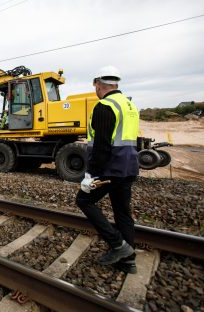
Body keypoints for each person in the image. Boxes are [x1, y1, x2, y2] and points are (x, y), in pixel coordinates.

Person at [76, 65, 139, 274]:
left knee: (84, 200)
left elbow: (102, 146)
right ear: (115, 83)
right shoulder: (129, 106)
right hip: (129, 166)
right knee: (122, 212)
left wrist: (90, 175)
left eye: (95, 85)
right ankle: (128, 262)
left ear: (98, 84)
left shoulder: (104, 106)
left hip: (110, 167)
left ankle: (118, 245)